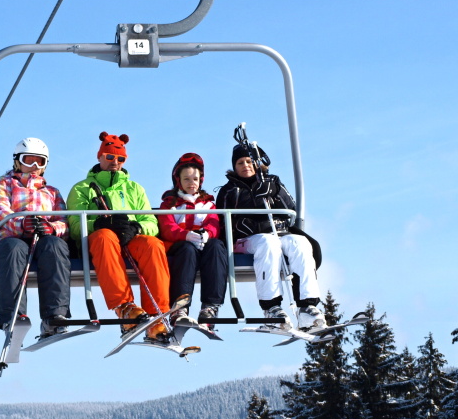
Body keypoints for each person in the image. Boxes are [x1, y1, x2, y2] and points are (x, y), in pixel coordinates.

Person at [66, 132, 171, 343]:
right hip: (101, 244)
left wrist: (136, 228)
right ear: (100, 156)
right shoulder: (82, 189)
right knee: (104, 236)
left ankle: (156, 316)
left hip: (130, 241)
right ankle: (125, 308)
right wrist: (98, 224)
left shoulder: (134, 189)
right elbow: (75, 226)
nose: (115, 162)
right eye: (110, 157)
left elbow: (151, 223)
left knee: (152, 244)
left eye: (120, 158)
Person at [216, 142, 326, 331]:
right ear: (234, 166)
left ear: (257, 163)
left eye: (249, 161)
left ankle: (307, 307)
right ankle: (272, 308)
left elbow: (290, 207)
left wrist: (274, 190)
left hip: (279, 232)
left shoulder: (271, 181)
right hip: (248, 238)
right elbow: (223, 219)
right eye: (240, 163)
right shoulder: (229, 190)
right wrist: (249, 211)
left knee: (300, 242)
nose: (245, 166)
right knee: (268, 243)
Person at [0, 137, 72, 338]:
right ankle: (12, 316)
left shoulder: (52, 192)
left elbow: (63, 222)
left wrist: (50, 228)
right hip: (12, 236)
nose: (34, 166)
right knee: (14, 249)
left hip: (42, 238)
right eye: (29, 160)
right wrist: (21, 223)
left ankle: (54, 316)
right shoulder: (4, 184)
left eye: (39, 162)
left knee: (55, 245)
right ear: (17, 161)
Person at [157, 153, 227, 329]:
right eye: (186, 179)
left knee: (217, 246)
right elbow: (167, 227)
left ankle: (210, 306)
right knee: (187, 250)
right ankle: (180, 307)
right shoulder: (169, 204)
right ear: (178, 181)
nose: (191, 183)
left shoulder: (208, 204)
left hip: (203, 245)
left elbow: (213, 223)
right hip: (181, 246)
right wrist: (186, 235)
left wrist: (207, 234)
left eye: (195, 179)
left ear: (200, 180)